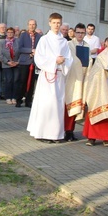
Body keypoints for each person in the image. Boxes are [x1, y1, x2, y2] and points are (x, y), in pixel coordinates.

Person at [27, 13, 73, 143]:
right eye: (54, 23)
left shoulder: (64, 41)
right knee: (47, 104)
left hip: (59, 76)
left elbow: (69, 58)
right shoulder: (44, 39)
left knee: (58, 104)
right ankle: (42, 133)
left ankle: (56, 134)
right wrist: (55, 61)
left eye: (59, 23)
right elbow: (39, 57)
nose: (56, 25)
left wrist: (63, 61)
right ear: (49, 23)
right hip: (47, 75)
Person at [63, 24, 89, 141]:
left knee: (76, 106)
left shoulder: (87, 46)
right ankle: (65, 131)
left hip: (81, 80)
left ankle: (71, 131)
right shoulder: (69, 45)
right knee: (67, 106)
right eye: (78, 32)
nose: (80, 35)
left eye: (82, 33)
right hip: (70, 79)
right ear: (74, 32)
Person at [16, 19, 39, 108]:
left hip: (34, 62)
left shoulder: (39, 36)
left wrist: (36, 52)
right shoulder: (23, 35)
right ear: (27, 25)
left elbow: (40, 48)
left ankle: (28, 101)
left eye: (33, 24)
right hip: (24, 62)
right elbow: (20, 48)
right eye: (30, 24)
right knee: (22, 82)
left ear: (36, 25)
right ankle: (19, 100)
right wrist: (31, 50)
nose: (32, 26)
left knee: (32, 82)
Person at [0, 26, 20, 105]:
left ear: (14, 33)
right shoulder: (2, 42)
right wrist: (7, 61)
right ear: (6, 33)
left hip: (16, 64)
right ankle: (8, 97)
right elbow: (0, 54)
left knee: (15, 80)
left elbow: (21, 52)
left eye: (12, 32)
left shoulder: (18, 41)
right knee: (9, 80)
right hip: (7, 64)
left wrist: (18, 62)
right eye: (8, 32)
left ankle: (14, 97)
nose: (10, 34)